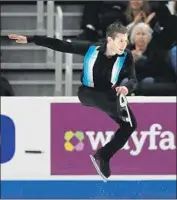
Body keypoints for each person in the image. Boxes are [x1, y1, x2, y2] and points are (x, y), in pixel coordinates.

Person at [8, 21, 137, 180]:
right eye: (120, 41)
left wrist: (126, 87)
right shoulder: (92, 49)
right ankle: (118, 105)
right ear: (110, 40)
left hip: (108, 93)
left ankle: (103, 156)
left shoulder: (126, 56)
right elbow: (62, 45)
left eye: (126, 40)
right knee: (111, 103)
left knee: (130, 125)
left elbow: (131, 78)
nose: (124, 44)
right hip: (87, 93)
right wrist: (31, 39)